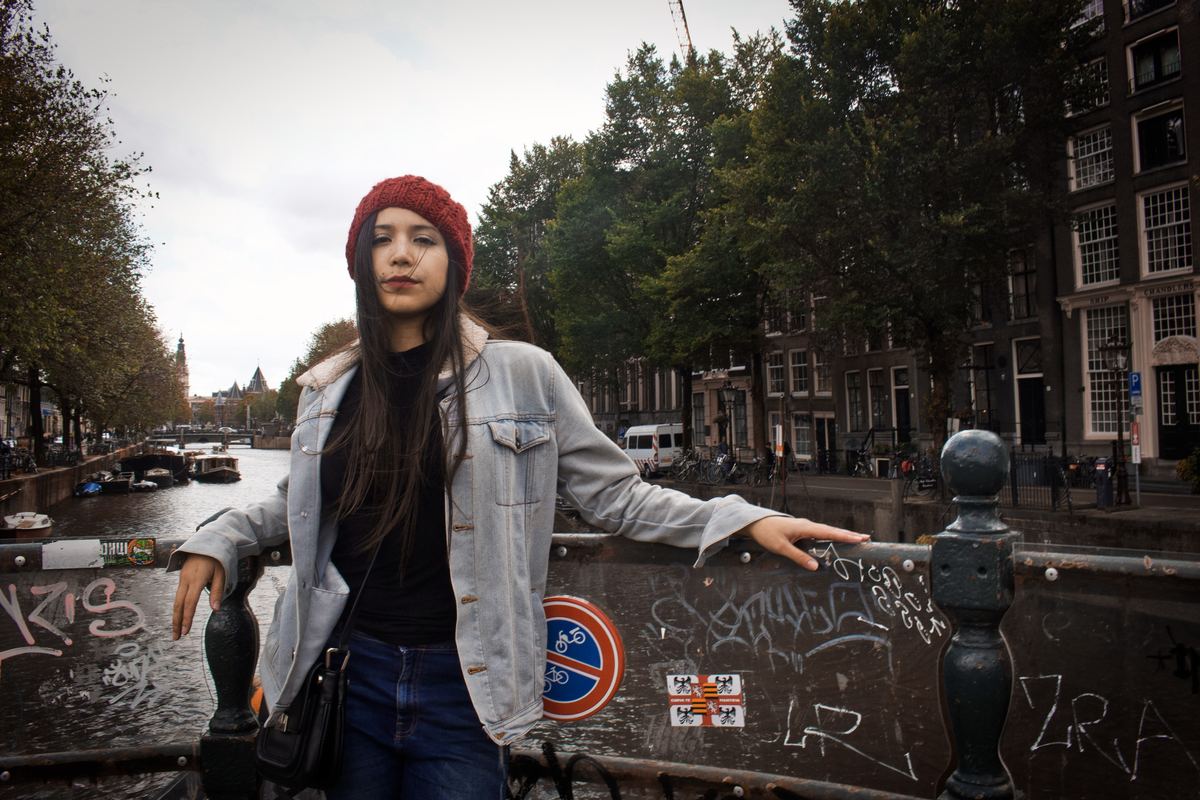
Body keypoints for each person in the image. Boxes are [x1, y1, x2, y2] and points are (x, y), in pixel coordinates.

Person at [169, 175, 867, 799]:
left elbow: (616, 497)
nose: (402, 255)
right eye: (381, 240)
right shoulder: (329, 391)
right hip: (351, 674)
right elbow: (299, 501)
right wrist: (222, 536)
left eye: (424, 239)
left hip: (467, 683)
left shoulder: (524, 374)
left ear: (456, 264)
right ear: (361, 264)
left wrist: (737, 520)